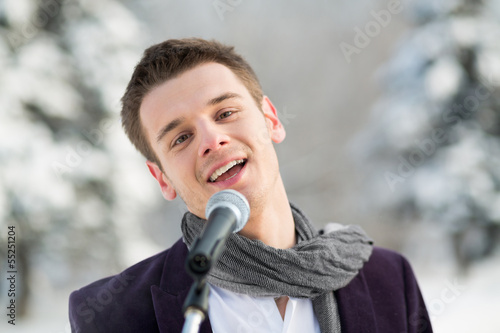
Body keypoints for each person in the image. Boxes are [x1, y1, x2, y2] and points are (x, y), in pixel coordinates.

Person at [69, 38, 433, 333]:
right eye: (181, 138)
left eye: (225, 113)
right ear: (162, 178)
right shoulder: (108, 316)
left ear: (270, 119)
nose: (212, 140)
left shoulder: (389, 279)